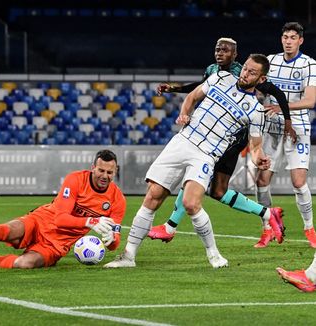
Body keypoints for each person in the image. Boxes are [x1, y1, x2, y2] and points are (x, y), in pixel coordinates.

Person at [104, 54, 279, 269]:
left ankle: (214, 256)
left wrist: (258, 157)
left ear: (261, 79)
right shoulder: (220, 78)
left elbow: (255, 145)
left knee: (191, 203)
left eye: (252, 72)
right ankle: (128, 256)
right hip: (183, 141)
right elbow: (192, 98)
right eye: (245, 68)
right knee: (153, 195)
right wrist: (184, 114)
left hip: (205, 154)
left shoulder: (255, 110)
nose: (245, 73)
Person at [151, 37, 295, 248]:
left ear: (235, 55)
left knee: (196, 175)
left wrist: (287, 121)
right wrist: (175, 89)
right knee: (217, 191)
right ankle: (267, 213)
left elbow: (275, 92)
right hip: (211, 137)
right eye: (218, 49)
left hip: (231, 139)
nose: (220, 53)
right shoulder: (214, 72)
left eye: (225, 50)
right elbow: (198, 89)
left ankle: (170, 226)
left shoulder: (239, 74)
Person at [0, 149, 126, 269]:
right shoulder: (75, 179)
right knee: (5, 230)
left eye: (110, 172)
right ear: (93, 167)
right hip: (41, 220)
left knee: (25, 264)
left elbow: (114, 243)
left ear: (115, 171)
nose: (105, 176)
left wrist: (111, 241)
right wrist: (90, 221)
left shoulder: (118, 200)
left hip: (57, 245)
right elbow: (60, 219)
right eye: (101, 170)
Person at [256, 22, 316, 248]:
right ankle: (267, 228)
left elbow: (310, 101)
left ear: (300, 40)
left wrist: (281, 107)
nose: (288, 41)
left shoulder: (309, 64)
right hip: (271, 129)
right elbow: (259, 90)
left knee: (299, 182)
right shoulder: (270, 61)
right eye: (285, 37)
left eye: (293, 37)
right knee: (261, 179)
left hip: (297, 129)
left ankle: (309, 228)